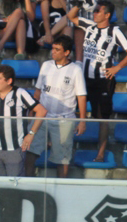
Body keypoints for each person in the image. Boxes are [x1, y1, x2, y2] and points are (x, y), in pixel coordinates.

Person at [68, 0, 127, 162]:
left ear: (107, 15)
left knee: (103, 118)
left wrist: (117, 68)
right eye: (95, 10)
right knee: (72, 110)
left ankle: (100, 153)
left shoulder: (115, 31)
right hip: (85, 78)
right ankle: (68, 147)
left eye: (98, 10)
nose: (95, 12)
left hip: (103, 80)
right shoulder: (89, 25)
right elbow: (71, 16)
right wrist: (78, 4)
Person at [25, 35, 86, 178]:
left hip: (64, 120)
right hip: (42, 118)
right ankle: (27, 184)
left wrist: (83, 121)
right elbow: (38, 91)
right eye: (53, 48)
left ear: (67, 53)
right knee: (30, 151)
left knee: (63, 158)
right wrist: (32, 112)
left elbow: (81, 96)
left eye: (57, 49)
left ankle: (61, 190)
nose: (53, 52)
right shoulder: (46, 65)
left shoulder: (75, 70)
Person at [0, 63, 46, 176]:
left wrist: (31, 134)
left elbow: (42, 111)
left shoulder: (20, 93)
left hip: (15, 149)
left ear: (9, 81)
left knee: (14, 186)